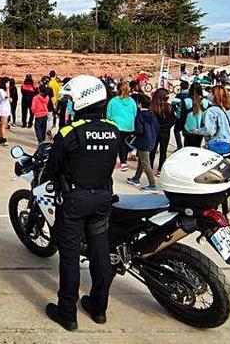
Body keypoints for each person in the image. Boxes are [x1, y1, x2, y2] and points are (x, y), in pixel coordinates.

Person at [43, 75, 119, 331]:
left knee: (70, 256)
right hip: (102, 199)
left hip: (74, 201)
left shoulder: (69, 132)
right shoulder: (113, 129)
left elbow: (53, 167)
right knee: (100, 253)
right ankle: (99, 309)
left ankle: (67, 313)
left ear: (83, 101)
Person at [196, 85, 230, 212]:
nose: (208, 95)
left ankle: (224, 201)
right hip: (229, 143)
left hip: (217, 144)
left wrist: (195, 131)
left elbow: (209, 130)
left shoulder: (211, 111)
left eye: (211, 93)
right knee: (220, 171)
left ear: (214, 96)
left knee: (213, 173)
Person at [126, 94, 160, 192]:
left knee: (145, 163)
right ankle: (136, 178)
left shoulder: (140, 116)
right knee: (141, 160)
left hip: (143, 141)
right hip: (151, 140)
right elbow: (157, 127)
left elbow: (139, 131)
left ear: (140, 104)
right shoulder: (152, 114)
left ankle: (152, 184)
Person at [106, 81, 137, 171]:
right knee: (125, 144)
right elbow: (135, 113)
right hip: (129, 126)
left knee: (117, 145)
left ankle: (119, 162)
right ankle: (123, 161)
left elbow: (108, 114)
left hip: (116, 126)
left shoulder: (113, 101)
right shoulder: (132, 102)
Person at [149, 88, 175, 174]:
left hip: (154, 131)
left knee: (152, 150)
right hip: (165, 131)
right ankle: (160, 169)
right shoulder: (169, 107)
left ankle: (150, 167)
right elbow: (173, 120)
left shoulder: (152, 107)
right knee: (163, 151)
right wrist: (167, 127)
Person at [182, 83, 208, 147]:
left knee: (187, 150)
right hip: (200, 130)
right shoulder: (205, 101)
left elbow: (182, 117)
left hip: (188, 129)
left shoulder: (186, 101)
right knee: (197, 148)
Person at [171, 80, 190, 149]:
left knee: (176, 131)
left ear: (181, 87)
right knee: (186, 132)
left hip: (180, 116)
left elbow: (173, 104)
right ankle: (186, 147)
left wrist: (176, 111)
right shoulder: (190, 95)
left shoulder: (179, 95)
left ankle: (179, 146)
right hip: (188, 116)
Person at [0, 77, 11, 146]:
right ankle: (3, 139)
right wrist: (7, 88)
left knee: (3, 124)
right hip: (3, 110)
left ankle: (2, 138)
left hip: (6, 109)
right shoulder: (1, 90)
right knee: (4, 125)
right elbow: (6, 96)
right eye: (7, 83)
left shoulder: (3, 90)